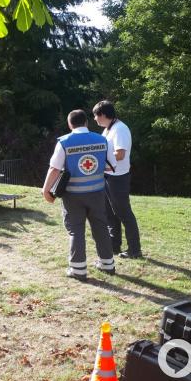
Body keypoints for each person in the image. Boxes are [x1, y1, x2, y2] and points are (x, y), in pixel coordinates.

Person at [42, 109, 115, 280]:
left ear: (70, 124)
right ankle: (108, 264)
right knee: (101, 227)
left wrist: (46, 190)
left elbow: (54, 169)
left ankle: (78, 270)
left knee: (76, 230)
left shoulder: (64, 142)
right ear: (86, 123)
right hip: (97, 193)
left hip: (73, 195)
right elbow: (111, 166)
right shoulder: (103, 140)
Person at [93, 100, 142, 259]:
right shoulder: (108, 129)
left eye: (96, 115)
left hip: (118, 178)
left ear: (103, 114)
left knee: (124, 213)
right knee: (110, 213)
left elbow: (120, 154)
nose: (94, 119)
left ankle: (134, 250)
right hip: (108, 176)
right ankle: (114, 246)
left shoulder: (120, 129)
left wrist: (99, 159)